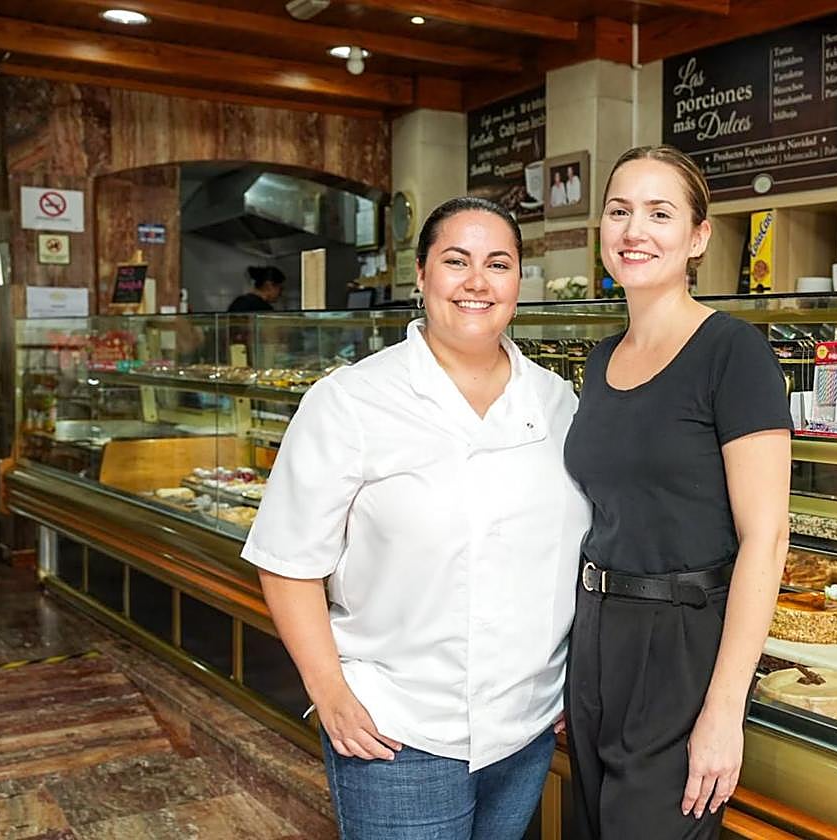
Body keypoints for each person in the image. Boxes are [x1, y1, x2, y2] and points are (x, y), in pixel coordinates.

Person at [241, 196, 591, 839]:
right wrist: (332, 694)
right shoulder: (351, 401)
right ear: (422, 277)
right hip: (399, 728)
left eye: (498, 263)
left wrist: (571, 679)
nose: (477, 282)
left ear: (519, 281)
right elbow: (288, 560)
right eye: (455, 261)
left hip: (527, 726)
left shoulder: (558, 401)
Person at [563, 145, 793, 838]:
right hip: (597, 636)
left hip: (684, 645)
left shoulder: (734, 353)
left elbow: (768, 536)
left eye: (659, 213)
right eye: (620, 211)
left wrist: (724, 708)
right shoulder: (602, 359)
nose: (635, 231)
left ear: (698, 236)